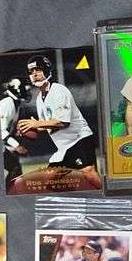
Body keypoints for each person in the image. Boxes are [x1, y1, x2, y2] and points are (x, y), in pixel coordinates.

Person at [16, 55, 102, 188]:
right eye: (31, 72)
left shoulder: (59, 91)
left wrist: (36, 124)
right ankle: (74, 197)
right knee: (49, 180)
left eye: (38, 69)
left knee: (88, 172)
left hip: (79, 139)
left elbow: (63, 122)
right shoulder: (39, 99)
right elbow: (48, 125)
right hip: (64, 147)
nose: (34, 74)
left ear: (46, 70)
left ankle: (108, 195)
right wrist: (29, 128)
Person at [0, 78, 31, 187]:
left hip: (0, 143)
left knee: (15, 168)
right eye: (26, 89)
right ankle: (5, 192)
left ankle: (6, 191)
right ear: (17, 89)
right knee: (15, 168)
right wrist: (16, 146)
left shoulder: (14, 102)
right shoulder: (6, 103)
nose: (28, 92)